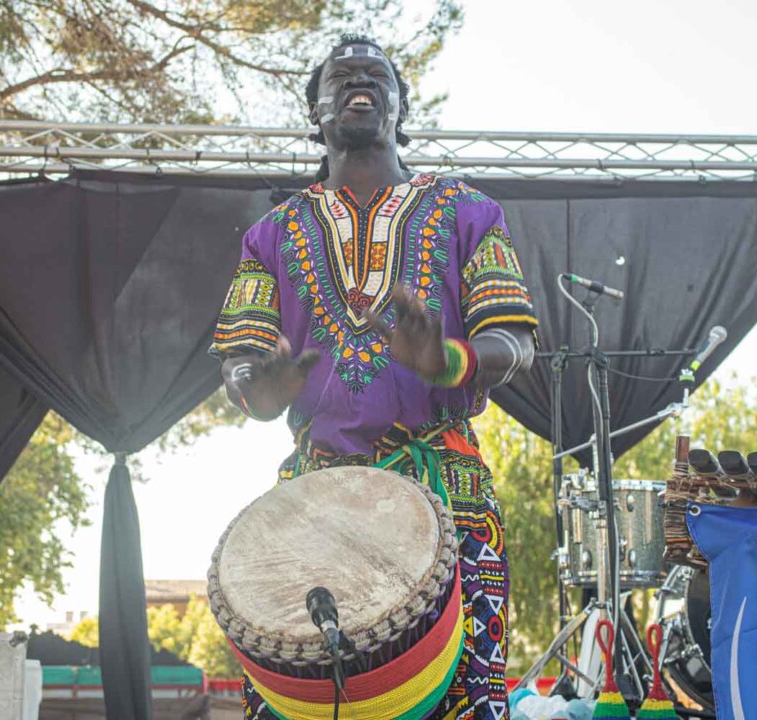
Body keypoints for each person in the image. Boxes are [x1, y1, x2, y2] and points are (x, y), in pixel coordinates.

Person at [212, 34, 538, 720]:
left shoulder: (469, 213)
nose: (359, 84)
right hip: (314, 498)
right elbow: (239, 359)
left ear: (400, 104)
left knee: (461, 702)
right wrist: (256, 388)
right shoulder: (271, 235)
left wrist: (448, 361)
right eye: (340, 78)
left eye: (376, 76)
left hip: (446, 491)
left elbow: (514, 342)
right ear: (316, 111)